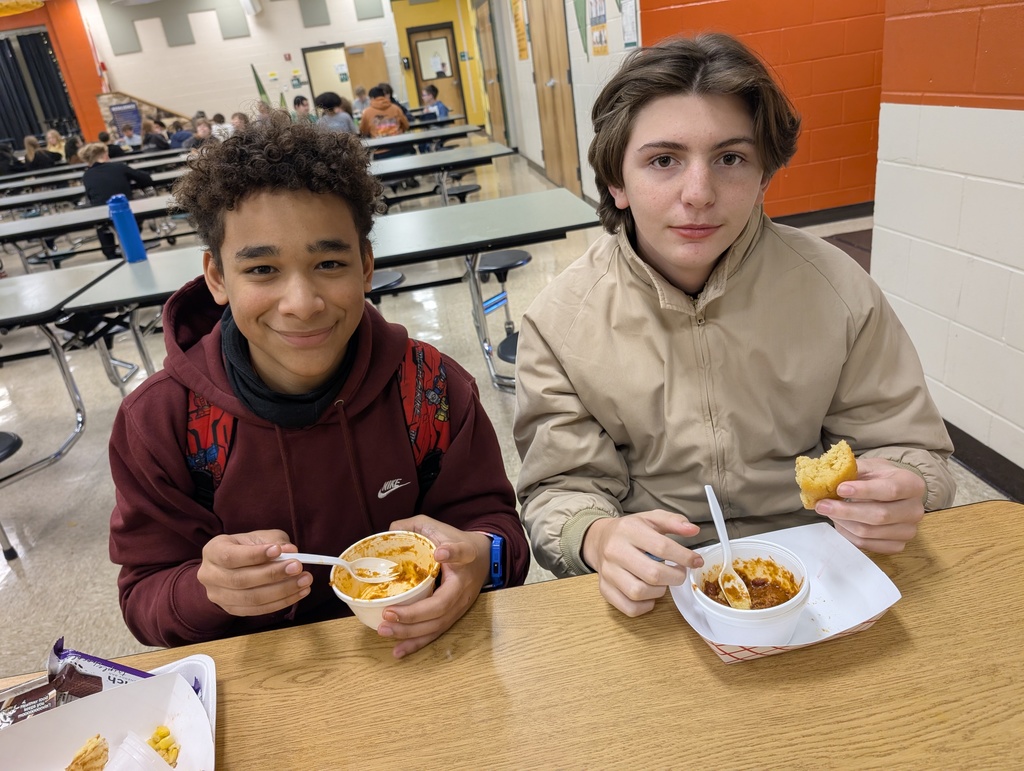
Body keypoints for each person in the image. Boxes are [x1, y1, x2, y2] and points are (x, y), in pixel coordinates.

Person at [513, 33, 957, 619]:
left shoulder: (837, 290)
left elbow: (907, 446)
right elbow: (560, 488)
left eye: (730, 159)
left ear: (764, 174)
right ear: (616, 182)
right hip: (660, 582)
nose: (698, 194)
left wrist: (908, 488)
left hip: (827, 568)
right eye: (663, 160)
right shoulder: (559, 322)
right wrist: (594, 537)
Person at [108, 114, 530, 655]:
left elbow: (499, 535)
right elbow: (146, 595)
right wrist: (206, 590)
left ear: (366, 266)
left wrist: (478, 560)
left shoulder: (432, 391)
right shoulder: (161, 422)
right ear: (216, 277)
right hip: (267, 695)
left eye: (329, 262)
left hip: (428, 664)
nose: (302, 303)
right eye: (262, 270)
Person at [80, 142, 154, 259]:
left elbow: (90, 197)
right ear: (104, 155)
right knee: (135, 209)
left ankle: (110, 255)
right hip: (127, 215)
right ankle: (132, 243)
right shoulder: (119, 167)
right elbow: (146, 179)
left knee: (102, 223)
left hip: (102, 217)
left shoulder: (86, 176)